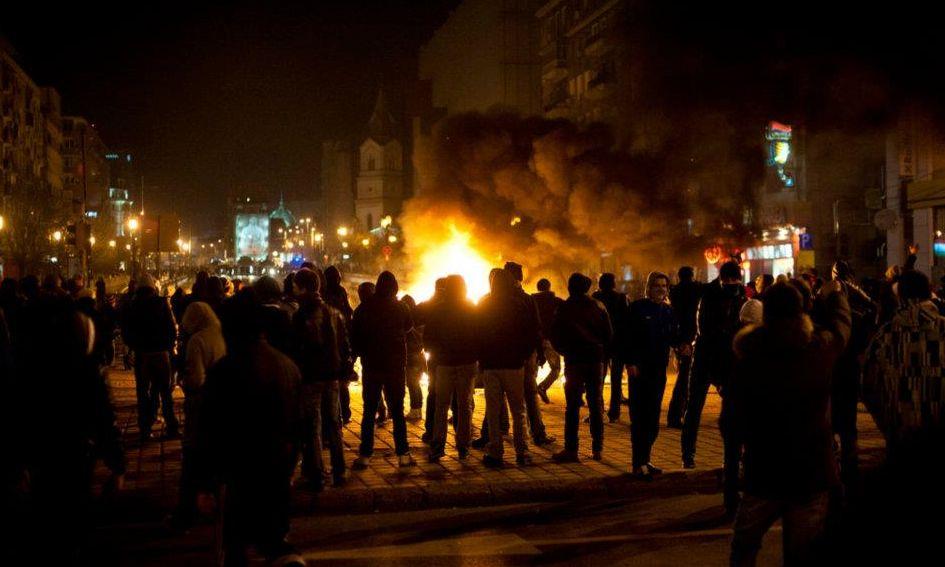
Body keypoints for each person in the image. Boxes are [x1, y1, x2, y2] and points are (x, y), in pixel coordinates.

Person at [729, 281, 850, 566]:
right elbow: (842, 330)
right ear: (802, 313)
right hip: (811, 470)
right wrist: (837, 296)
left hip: (764, 470)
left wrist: (743, 449)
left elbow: (731, 419)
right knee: (802, 552)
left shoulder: (749, 356)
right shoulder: (818, 350)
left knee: (744, 546)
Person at [12, 280, 125, 560]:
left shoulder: (33, 372)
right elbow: (103, 419)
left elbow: (21, 415)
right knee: (74, 512)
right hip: (75, 454)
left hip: (43, 453)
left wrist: (19, 462)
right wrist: (117, 463)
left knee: (44, 513)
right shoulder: (89, 374)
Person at [195, 289, 305, 567]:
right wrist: (291, 463)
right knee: (274, 538)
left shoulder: (226, 370)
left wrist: (205, 484)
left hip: (239, 474)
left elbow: (207, 431)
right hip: (277, 467)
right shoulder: (288, 366)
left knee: (237, 544)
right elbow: (300, 424)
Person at [681, 260, 746, 514]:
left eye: (736, 281)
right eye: (730, 281)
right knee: (694, 406)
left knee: (733, 413)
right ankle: (688, 454)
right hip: (706, 358)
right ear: (722, 279)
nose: (733, 285)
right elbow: (705, 329)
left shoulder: (740, 294)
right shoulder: (707, 294)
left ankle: (734, 462)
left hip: (729, 359)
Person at [863, 269, 945, 457]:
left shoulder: (884, 336)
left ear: (899, 298)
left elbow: (868, 387)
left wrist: (890, 424)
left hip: (901, 439)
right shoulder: (942, 328)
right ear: (929, 293)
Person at [166, 301, 225, 532]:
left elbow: (197, 379)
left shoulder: (197, 341)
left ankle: (185, 514)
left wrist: (183, 381)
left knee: (191, 461)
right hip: (221, 404)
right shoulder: (220, 334)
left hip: (201, 405)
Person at [291, 268, 350, 488]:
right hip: (332, 378)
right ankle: (340, 472)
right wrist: (343, 371)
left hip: (312, 379)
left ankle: (316, 475)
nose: (294, 290)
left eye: (296, 286)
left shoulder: (301, 316)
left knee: (313, 426)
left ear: (304, 288)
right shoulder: (334, 313)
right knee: (334, 424)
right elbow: (345, 347)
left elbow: (298, 349)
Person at [350, 271, 416, 468]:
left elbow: (355, 336)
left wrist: (357, 357)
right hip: (395, 366)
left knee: (369, 410)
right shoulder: (401, 307)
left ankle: (365, 455)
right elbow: (408, 327)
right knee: (397, 410)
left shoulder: (363, 308)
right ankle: (403, 454)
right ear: (394, 287)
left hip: (371, 365)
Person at [623, 272, 683, 477]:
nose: (660, 289)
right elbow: (627, 337)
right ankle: (638, 463)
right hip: (640, 371)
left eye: (664, 286)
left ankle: (645, 460)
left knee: (653, 420)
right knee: (640, 418)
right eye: (657, 285)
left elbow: (673, 336)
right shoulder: (637, 308)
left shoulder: (667, 311)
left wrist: (682, 346)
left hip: (658, 371)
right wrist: (630, 362)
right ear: (649, 288)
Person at [478, 269, 537, 467]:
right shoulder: (519, 304)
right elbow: (531, 332)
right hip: (514, 365)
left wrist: (482, 360)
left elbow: (477, 334)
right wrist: (523, 355)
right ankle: (523, 452)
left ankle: (495, 452)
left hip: (491, 365)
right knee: (518, 410)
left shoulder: (485, 303)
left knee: (493, 411)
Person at [550, 273, 612, 463]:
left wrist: (564, 351)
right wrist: (601, 353)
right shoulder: (598, 306)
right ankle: (597, 449)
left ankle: (571, 450)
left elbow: (555, 335)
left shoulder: (564, 308)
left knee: (572, 407)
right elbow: (608, 334)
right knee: (596, 404)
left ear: (570, 287)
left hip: (574, 361)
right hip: (595, 361)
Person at [830, 260, 876, 495]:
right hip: (850, 366)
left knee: (834, 423)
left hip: (836, 366)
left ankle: (836, 473)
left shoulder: (835, 293)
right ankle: (850, 470)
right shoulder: (861, 299)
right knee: (848, 425)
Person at [423, 275, 479, 461]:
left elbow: (428, 338)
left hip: (444, 364)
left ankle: (438, 446)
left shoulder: (438, 309)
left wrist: (436, 356)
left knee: (441, 406)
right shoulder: (472, 308)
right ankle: (463, 447)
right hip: (466, 363)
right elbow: (480, 335)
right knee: (464, 406)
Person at [123, 273, 180, 441]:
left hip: (142, 355)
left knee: (142, 392)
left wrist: (134, 347)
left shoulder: (133, 306)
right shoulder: (162, 303)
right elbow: (171, 328)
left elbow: (127, 331)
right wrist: (168, 346)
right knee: (165, 391)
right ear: (153, 287)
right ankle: (171, 426)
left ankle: (145, 428)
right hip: (161, 353)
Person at [505, 261, 555, 446]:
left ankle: (492, 434)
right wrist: (539, 353)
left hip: (509, 356)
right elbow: (536, 329)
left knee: (502, 397)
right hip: (524, 355)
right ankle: (537, 434)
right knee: (528, 394)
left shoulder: (495, 299)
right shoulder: (526, 299)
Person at [667, 266, 702, 428]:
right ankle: (677, 415)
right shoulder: (696, 289)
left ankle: (679, 413)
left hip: (680, 337)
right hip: (691, 337)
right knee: (686, 377)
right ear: (692, 275)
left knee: (685, 375)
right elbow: (690, 317)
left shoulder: (674, 291)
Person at [592, 273, 629, 423]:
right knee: (616, 379)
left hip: (601, 343)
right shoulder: (621, 298)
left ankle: (598, 410)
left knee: (598, 379)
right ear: (614, 283)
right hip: (618, 343)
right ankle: (614, 412)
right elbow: (627, 320)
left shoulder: (595, 297)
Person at [533, 278, 564, 403]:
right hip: (551, 340)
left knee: (532, 371)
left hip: (535, 340)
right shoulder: (556, 302)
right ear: (549, 287)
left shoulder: (530, 301)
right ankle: (542, 387)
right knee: (556, 369)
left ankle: (530, 394)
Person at [401, 294, 426, 421]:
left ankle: (415, 409)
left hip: (411, 357)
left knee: (412, 384)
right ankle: (417, 409)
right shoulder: (420, 319)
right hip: (419, 357)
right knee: (414, 384)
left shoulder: (408, 322)